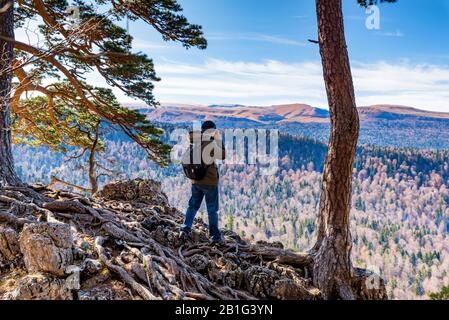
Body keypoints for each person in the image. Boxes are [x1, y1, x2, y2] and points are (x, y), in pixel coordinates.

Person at [180, 121, 226, 244]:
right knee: (212, 209)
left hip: (195, 180)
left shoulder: (195, 140)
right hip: (209, 181)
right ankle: (214, 236)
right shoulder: (210, 143)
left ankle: (185, 228)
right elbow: (222, 155)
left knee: (193, 205)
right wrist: (217, 139)